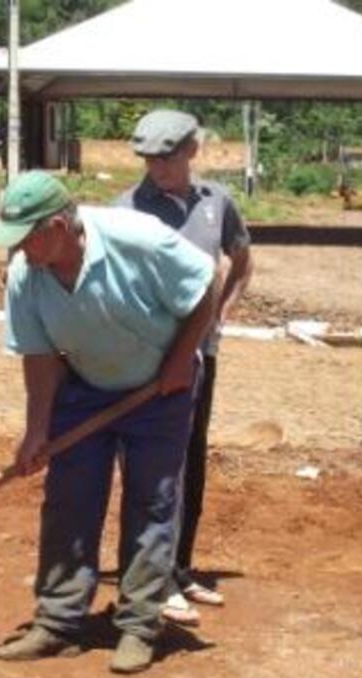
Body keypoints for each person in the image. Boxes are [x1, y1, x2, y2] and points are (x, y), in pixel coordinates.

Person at [0, 170, 221, 674]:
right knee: (69, 503)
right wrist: (36, 430)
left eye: (25, 236)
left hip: (160, 389)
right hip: (84, 388)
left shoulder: (137, 239)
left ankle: (140, 625)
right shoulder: (27, 274)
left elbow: (208, 283)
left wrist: (183, 358)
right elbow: (39, 354)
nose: (18, 249)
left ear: (56, 225)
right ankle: (58, 622)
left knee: (151, 502)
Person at [116, 110, 254, 624]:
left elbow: (241, 259)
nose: (157, 168)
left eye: (167, 156)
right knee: (152, 468)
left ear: (193, 150)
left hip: (200, 357)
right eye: (149, 158)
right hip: (146, 360)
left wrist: (221, 315)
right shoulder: (126, 209)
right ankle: (154, 576)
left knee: (191, 460)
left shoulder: (216, 203)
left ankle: (181, 566)